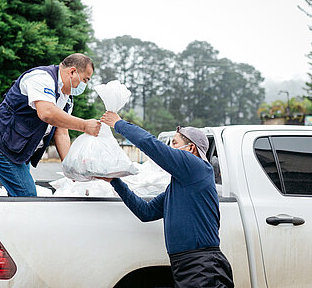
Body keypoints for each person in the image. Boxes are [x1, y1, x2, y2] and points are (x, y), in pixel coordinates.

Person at [99, 111, 234, 288]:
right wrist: (115, 181)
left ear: (191, 148)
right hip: (186, 265)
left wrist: (119, 124)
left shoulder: (197, 167)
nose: (170, 148)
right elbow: (145, 212)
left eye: (174, 143)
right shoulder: (180, 187)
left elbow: (152, 146)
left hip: (202, 266)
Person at [0, 53, 101, 196]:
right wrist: (84, 125)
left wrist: (71, 169)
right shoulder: (41, 78)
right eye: (85, 80)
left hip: (18, 150)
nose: (84, 85)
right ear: (72, 72)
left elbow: (61, 133)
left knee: (18, 197)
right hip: (0, 146)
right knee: (27, 196)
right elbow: (47, 113)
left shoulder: (67, 99)